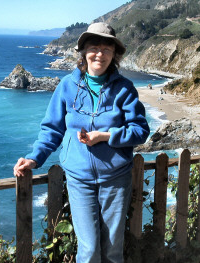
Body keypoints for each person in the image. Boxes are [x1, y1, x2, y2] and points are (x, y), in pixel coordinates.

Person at [14, 22, 150, 263]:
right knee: (88, 251)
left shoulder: (125, 89)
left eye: (107, 49)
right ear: (84, 51)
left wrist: (106, 136)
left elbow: (140, 131)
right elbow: (52, 130)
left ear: (114, 55)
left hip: (116, 179)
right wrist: (34, 158)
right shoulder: (67, 86)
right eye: (94, 47)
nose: (100, 54)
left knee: (112, 251)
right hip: (79, 180)